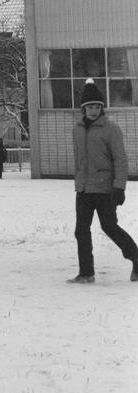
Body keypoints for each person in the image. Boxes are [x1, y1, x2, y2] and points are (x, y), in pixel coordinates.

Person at [69, 80, 136, 285]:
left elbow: (120, 160)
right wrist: (78, 181)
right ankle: (86, 273)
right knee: (81, 230)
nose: (94, 110)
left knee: (109, 226)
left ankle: (136, 257)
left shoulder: (110, 129)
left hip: (104, 188)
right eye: (90, 106)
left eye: (98, 106)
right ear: (83, 108)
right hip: (84, 189)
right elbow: (79, 159)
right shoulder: (77, 129)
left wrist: (119, 187)